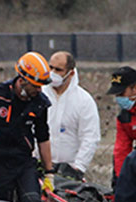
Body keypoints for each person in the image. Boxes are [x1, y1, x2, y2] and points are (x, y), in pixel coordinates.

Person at [0, 52, 54, 202]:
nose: (39, 90)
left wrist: (49, 173)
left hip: (24, 162)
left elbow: (43, 137)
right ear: (23, 80)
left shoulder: (40, 103)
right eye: (35, 85)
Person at [41, 51, 100, 179]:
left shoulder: (84, 101)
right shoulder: (40, 95)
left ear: (71, 73)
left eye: (58, 70)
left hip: (68, 173)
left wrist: (78, 167)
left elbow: (90, 137)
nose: (53, 73)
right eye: (50, 67)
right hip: (39, 169)